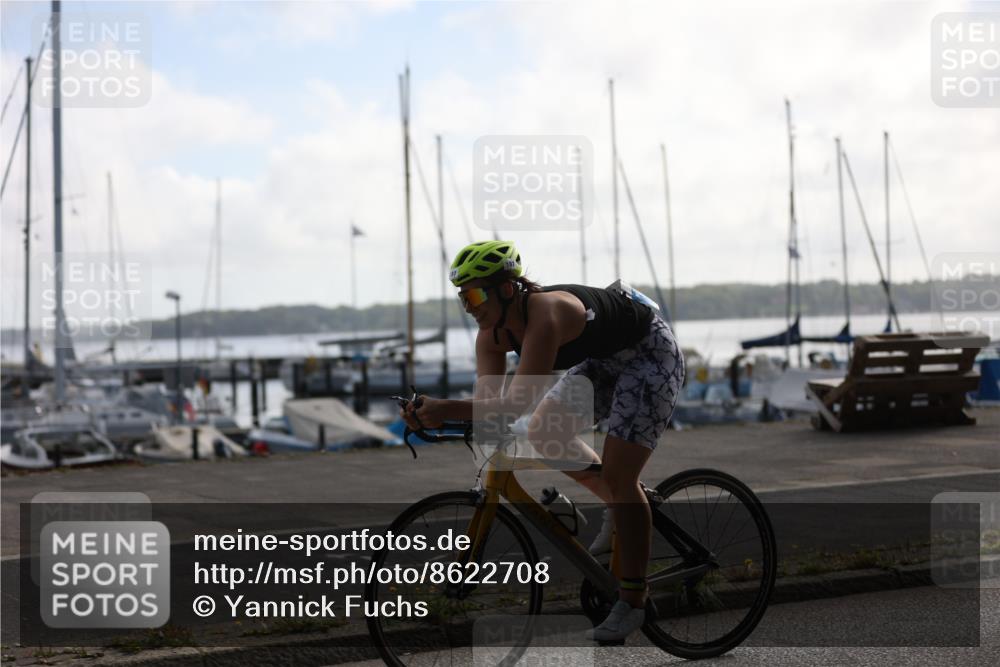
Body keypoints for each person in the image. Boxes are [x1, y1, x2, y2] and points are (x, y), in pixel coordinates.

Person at [400, 240, 685, 642]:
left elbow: (516, 402)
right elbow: (488, 406)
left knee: (622, 480)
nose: (470, 306)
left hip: (649, 354)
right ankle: (619, 506)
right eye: (463, 298)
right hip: (604, 358)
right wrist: (432, 416)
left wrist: (445, 408)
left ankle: (633, 600)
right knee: (544, 432)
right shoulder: (491, 335)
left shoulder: (546, 315)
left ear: (507, 288)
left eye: (476, 294)